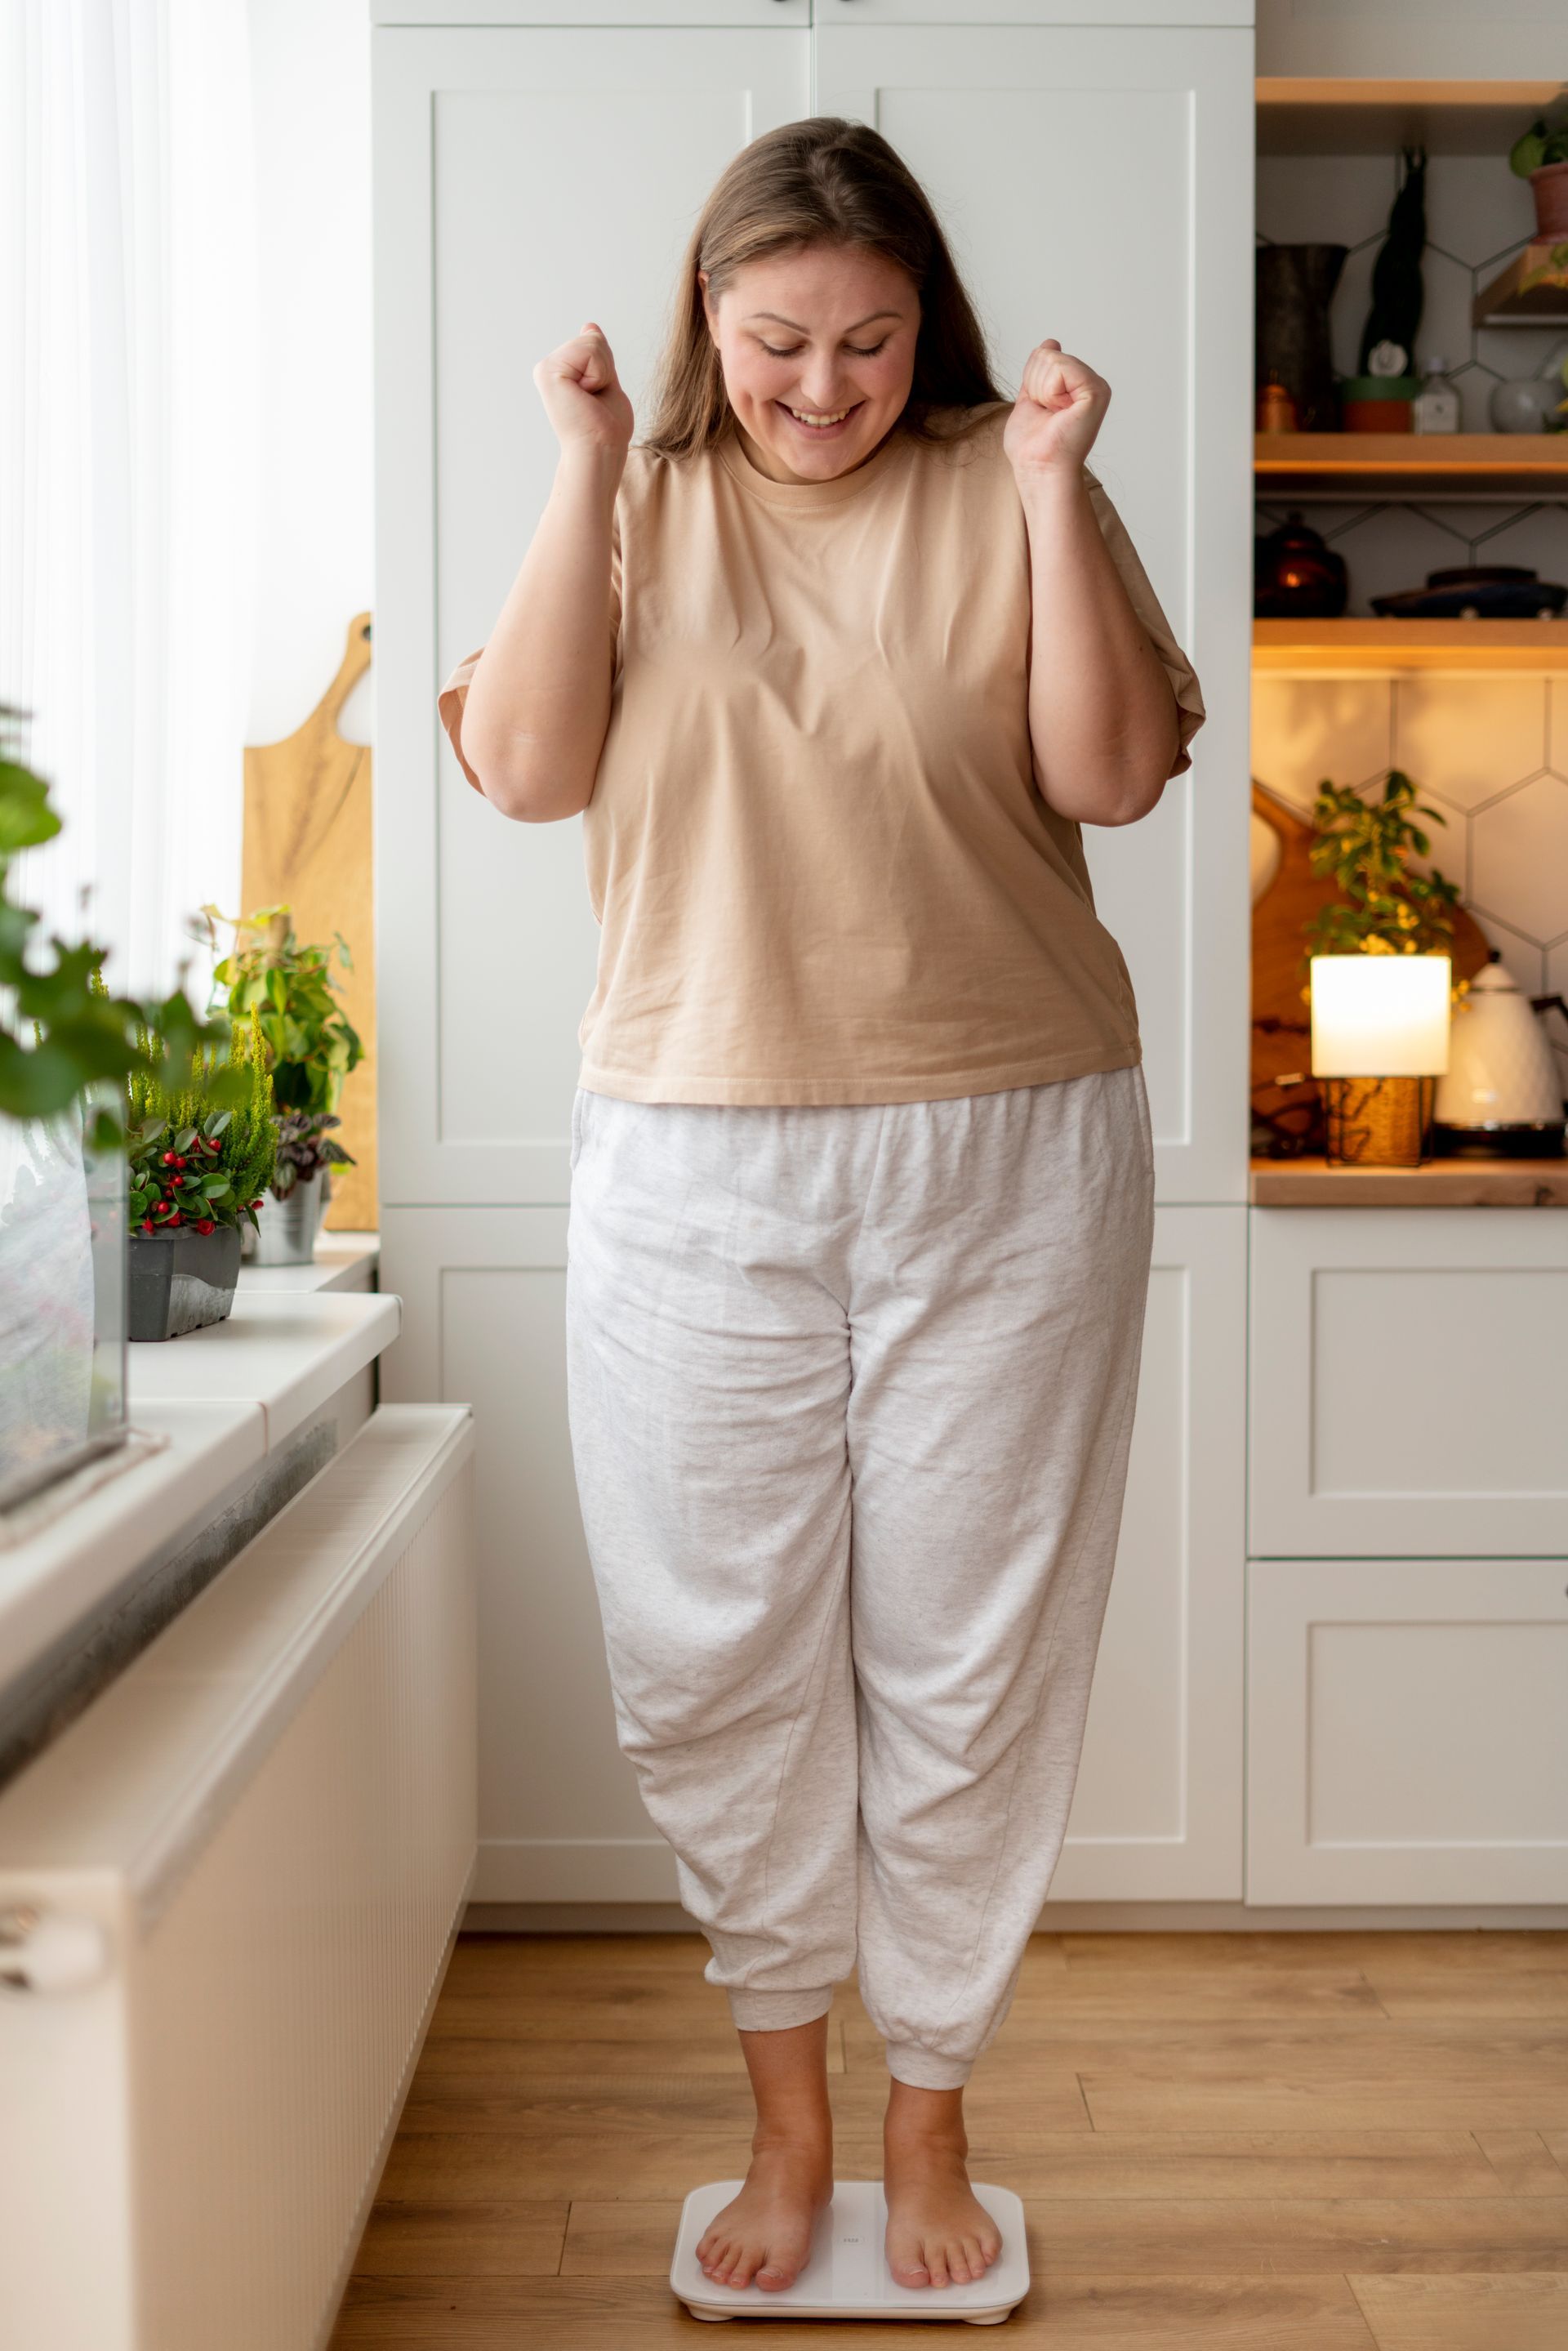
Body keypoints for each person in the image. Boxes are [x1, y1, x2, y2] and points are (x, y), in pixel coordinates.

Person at [438, 115, 1204, 2304]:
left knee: (971, 1663)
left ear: (923, 328)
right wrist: (585, 461)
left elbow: (1111, 773)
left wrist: (1053, 491)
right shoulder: (642, 505)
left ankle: (930, 2109)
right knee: (718, 1657)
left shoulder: (1011, 483)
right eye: (779, 342)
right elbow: (522, 769)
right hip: (695, 1145)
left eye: (870, 344)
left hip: (1012, 1140)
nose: (825, 387)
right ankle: (781, 2125)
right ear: (707, 316)